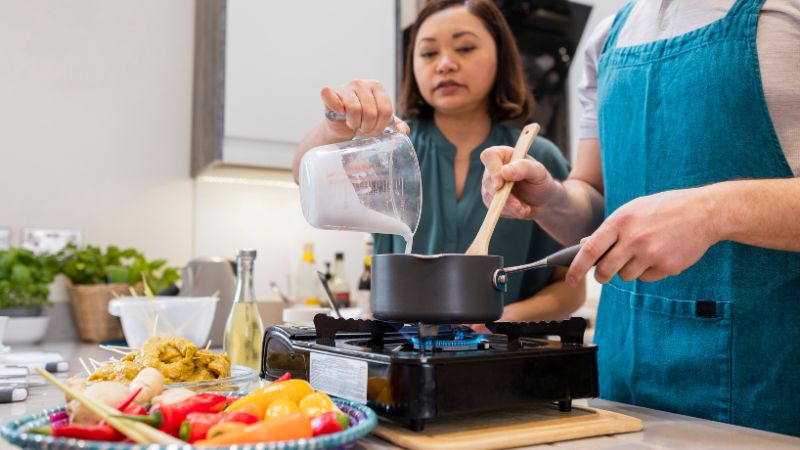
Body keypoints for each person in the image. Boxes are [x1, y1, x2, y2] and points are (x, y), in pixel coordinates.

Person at [480, 0, 800, 436]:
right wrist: (549, 199)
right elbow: (594, 205)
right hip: (624, 381)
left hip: (770, 384)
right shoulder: (607, 40)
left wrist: (713, 212)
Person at [292, 0, 585, 322]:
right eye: (429, 53)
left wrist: (498, 320)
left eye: (465, 48)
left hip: (505, 359)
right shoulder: (390, 148)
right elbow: (303, 172)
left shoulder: (536, 160)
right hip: (401, 356)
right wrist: (335, 123)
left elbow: (570, 287)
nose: (445, 64)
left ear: (500, 59)